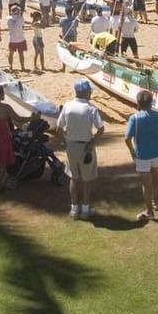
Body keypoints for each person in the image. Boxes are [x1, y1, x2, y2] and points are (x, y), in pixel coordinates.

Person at [56, 79, 105, 219]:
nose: (91, 93)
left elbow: (59, 128)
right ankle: (85, 209)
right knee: (87, 179)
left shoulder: (68, 106)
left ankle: (74, 209)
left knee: (74, 177)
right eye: (89, 91)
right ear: (85, 92)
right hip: (86, 147)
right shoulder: (91, 108)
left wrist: (64, 142)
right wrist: (92, 144)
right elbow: (101, 129)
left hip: (71, 146)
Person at [124, 90, 158, 222]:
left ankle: (149, 211)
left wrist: (132, 151)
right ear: (151, 102)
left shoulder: (134, 118)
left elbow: (127, 138)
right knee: (155, 177)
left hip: (142, 155)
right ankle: (154, 201)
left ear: (138, 103)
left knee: (146, 183)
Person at [6, 4, 28, 71]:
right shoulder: (21, 19)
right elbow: (22, 26)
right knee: (21, 54)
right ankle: (22, 67)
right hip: (20, 39)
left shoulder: (8, 19)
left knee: (11, 54)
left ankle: (10, 67)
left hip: (12, 39)